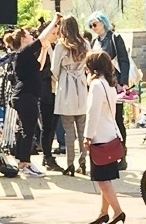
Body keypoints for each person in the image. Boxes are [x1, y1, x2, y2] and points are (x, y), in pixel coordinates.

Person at [3, 13, 63, 178]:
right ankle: (25, 163)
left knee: (25, 130)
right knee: (28, 131)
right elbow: (42, 38)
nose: (32, 36)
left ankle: (23, 161)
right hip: (26, 96)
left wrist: (44, 49)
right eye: (29, 35)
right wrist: (55, 21)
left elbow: (39, 65)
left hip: (25, 96)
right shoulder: (24, 52)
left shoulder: (25, 56)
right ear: (23, 38)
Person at [84, 51, 125, 224]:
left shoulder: (96, 85)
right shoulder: (109, 84)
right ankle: (103, 212)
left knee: (102, 180)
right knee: (105, 177)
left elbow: (92, 113)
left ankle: (118, 211)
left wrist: (87, 136)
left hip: (100, 137)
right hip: (111, 134)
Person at [87, 11, 130, 170]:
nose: (93, 28)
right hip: (100, 82)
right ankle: (109, 153)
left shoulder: (115, 38)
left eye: (95, 24)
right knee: (102, 118)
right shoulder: (94, 41)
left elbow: (124, 59)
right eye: (90, 26)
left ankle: (122, 154)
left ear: (103, 22)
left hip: (114, 81)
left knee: (117, 118)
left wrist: (123, 82)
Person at [51, 15, 90, 176]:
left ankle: (69, 164)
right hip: (81, 85)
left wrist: (60, 78)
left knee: (69, 131)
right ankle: (83, 161)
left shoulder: (61, 46)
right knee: (83, 130)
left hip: (66, 87)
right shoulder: (85, 44)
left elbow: (54, 69)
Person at [36, 20, 64, 172]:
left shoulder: (55, 46)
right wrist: (54, 71)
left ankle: (47, 155)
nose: (55, 35)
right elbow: (39, 71)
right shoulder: (41, 48)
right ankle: (47, 156)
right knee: (47, 127)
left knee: (52, 126)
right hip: (46, 91)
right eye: (53, 33)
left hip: (56, 90)